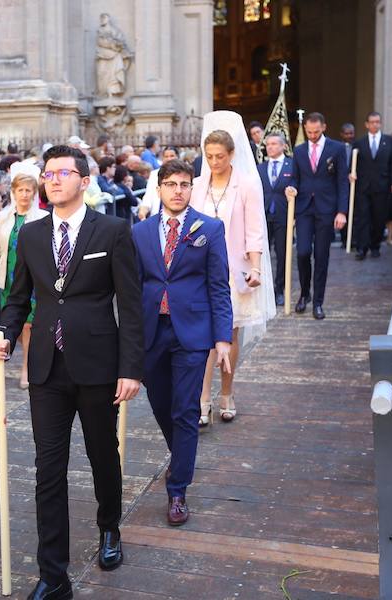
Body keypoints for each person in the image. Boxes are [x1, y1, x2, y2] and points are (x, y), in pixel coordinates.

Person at [0, 145, 143, 600]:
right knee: (47, 470)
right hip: (46, 371)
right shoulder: (30, 235)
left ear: (84, 180)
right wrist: (5, 336)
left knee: (102, 456)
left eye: (63, 173)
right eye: (47, 173)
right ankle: (53, 575)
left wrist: (130, 368)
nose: (53, 180)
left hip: (98, 366)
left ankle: (109, 526)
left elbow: (130, 306)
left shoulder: (112, 231)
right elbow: (16, 299)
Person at [132, 159, 232, 525]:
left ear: (193, 189)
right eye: (171, 184)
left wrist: (222, 338)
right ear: (158, 188)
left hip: (192, 332)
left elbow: (219, 286)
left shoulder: (211, 229)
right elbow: (131, 289)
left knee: (186, 410)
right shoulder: (139, 232)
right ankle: (182, 458)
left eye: (184, 184)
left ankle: (178, 490)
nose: (178, 190)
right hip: (150, 332)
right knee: (160, 404)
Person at [190, 112, 276, 424]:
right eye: (209, 156)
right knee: (202, 337)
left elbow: (255, 231)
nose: (214, 162)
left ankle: (226, 391)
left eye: (220, 157)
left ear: (232, 154)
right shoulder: (197, 186)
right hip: (200, 270)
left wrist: (256, 268)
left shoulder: (248, 185)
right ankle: (201, 398)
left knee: (228, 334)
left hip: (234, 270)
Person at [0, 164, 47, 389]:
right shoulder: (4, 216)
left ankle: (26, 368)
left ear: (34, 193)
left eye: (28, 190)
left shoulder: (42, 217)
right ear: (14, 191)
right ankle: (28, 357)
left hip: (33, 281)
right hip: (8, 278)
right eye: (20, 190)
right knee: (16, 325)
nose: (24, 194)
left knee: (29, 325)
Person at [290, 112, 349, 319]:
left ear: (323, 127)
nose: (312, 135)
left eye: (316, 131)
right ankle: (304, 294)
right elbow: (295, 179)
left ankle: (318, 302)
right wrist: (291, 189)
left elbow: (342, 181)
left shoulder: (338, 149)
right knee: (303, 252)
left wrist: (342, 211)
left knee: (322, 256)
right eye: (309, 132)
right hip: (304, 208)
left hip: (326, 208)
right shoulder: (298, 151)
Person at [351, 111, 392, 259]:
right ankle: (362, 248)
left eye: (377, 122)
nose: (375, 124)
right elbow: (353, 165)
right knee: (363, 217)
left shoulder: (389, 141)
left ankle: (375, 245)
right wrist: (351, 174)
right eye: (372, 122)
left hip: (382, 186)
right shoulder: (359, 143)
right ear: (366, 124)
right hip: (363, 187)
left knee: (379, 218)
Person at [258, 132, 296, 307]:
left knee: (281, 254)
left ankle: (279, 289)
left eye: (274, 144)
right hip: (262, 216)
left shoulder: (292, 166)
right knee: (261, 254)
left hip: (283, 215)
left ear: (283, 146)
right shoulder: (259, 168)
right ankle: (262, 290)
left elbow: (298, 187)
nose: (270, 147)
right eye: (268, 144)